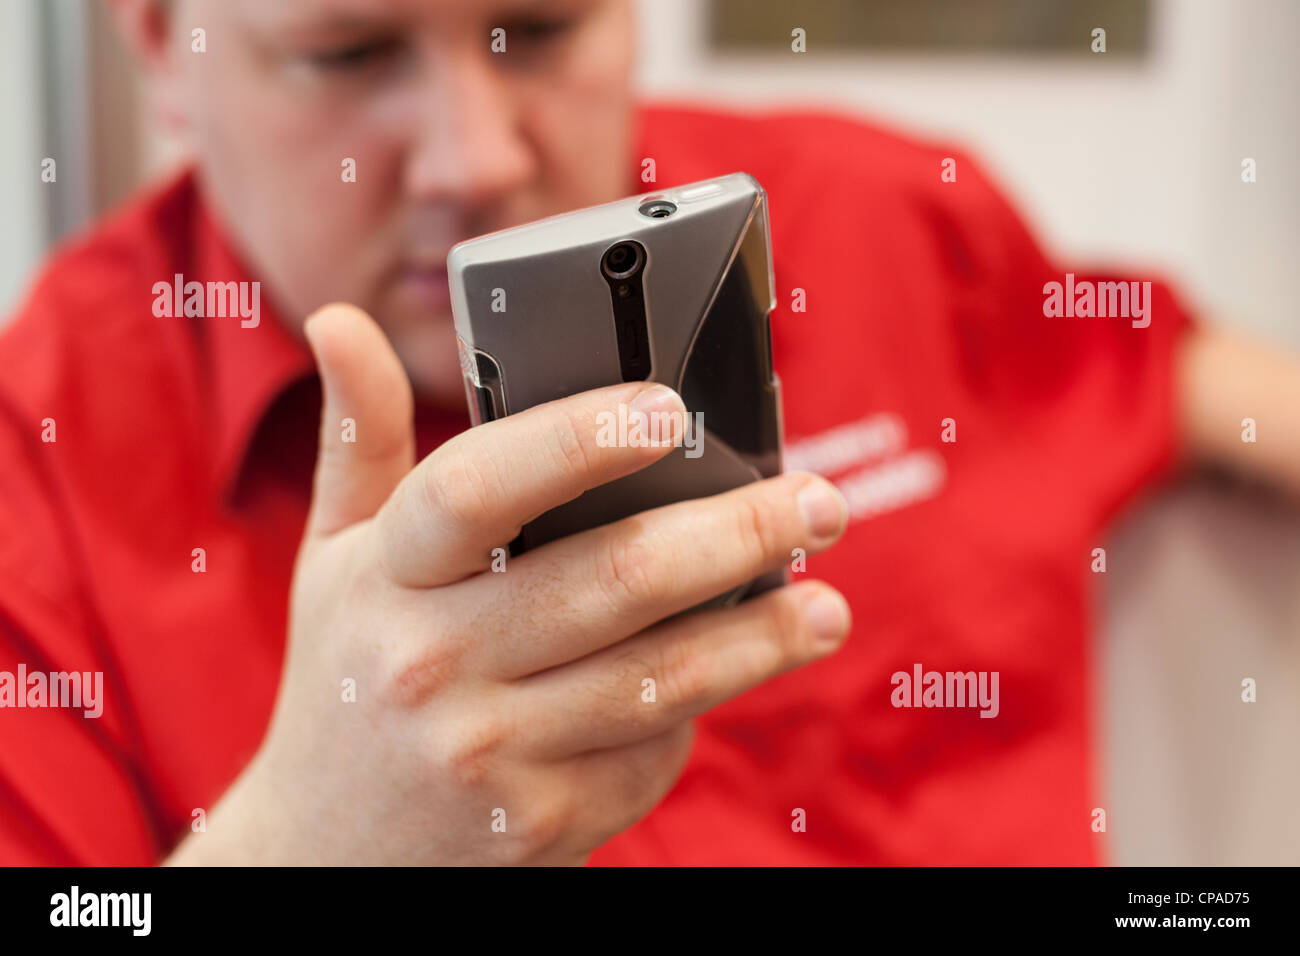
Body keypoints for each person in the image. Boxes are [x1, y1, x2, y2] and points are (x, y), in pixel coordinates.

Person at [0, 0, 1296, 866]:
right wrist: (298, 836)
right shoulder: (44, 459)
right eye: (348, 55)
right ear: (163, 46)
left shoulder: (886, 227)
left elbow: (1179, 372)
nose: (475, 156)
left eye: (540, 28)